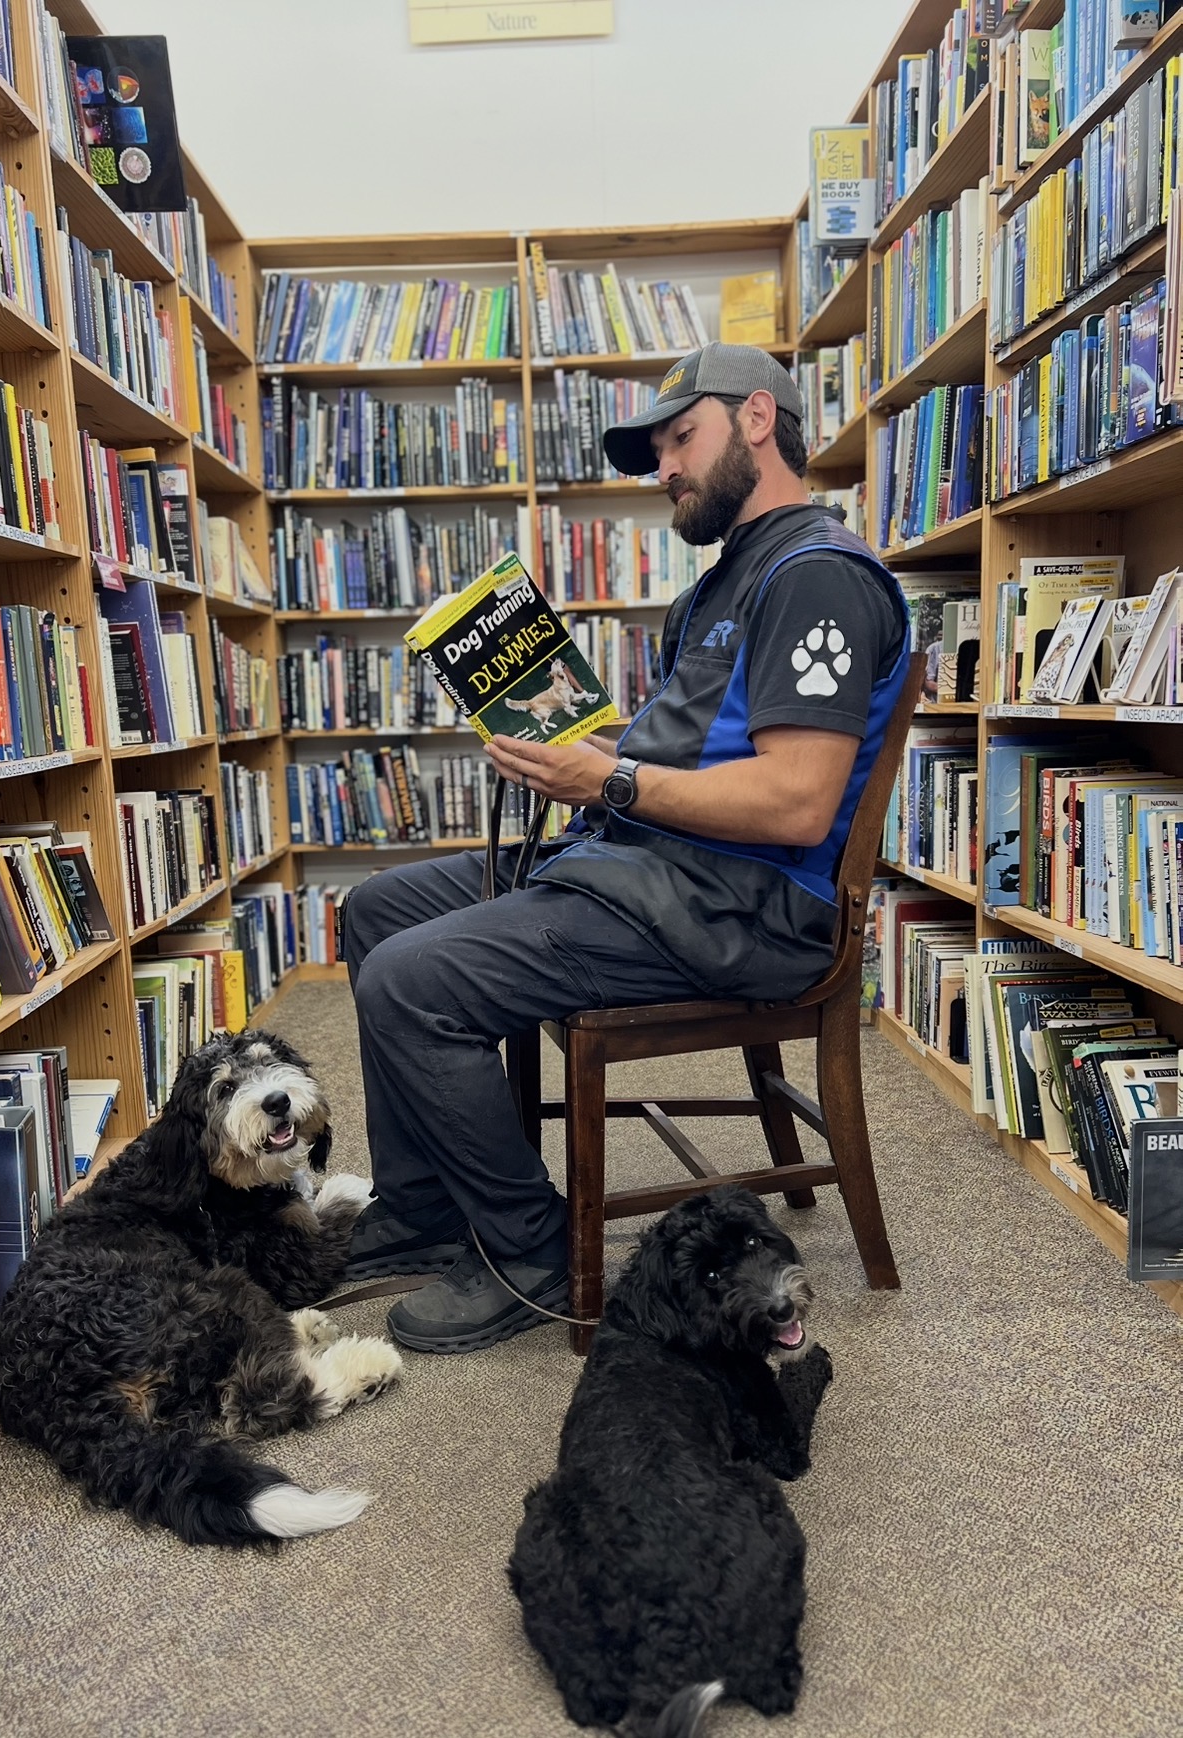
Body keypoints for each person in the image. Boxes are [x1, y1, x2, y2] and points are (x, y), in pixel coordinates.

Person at [341, 342, 910, 1354]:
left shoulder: (819, 576)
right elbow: (690, 755)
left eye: (680, 438)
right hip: (648, 865)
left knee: (411, 979)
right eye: (656, 451)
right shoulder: (722, 583)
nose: (665, 469)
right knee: (377, 911)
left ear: (757, 421)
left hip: (737, 904)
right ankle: (422, 1209)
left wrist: (605, 778)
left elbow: (795, 803)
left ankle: (531, 1249)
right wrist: (587, 753)